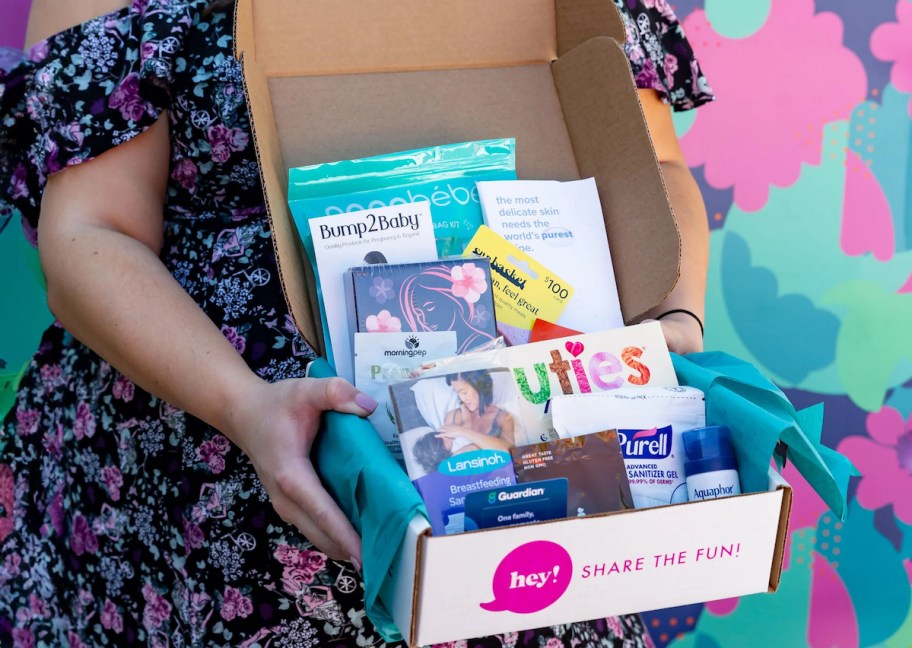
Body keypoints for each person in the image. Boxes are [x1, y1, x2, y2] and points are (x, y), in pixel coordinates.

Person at [0, 0, 711, 646]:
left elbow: (653, 167)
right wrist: (245, 407)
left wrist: (673, 320)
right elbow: (91, 233)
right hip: (223, 489)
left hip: (534, 461)